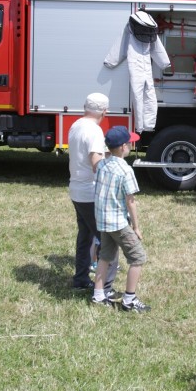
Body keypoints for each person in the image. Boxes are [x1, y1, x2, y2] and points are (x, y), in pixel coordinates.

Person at [92, 126, 150, 312]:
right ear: (124, 147)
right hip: (118, 222)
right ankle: (129, 300)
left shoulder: (102, 163)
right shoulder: (125, 170)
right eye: (130, 142)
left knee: (105, 256)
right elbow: (130, 201)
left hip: (102, 220)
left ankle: (98, 295)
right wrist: (136, 226)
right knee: (138, 257)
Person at [68, 93, 118, 294]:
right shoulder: (95, 131)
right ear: (104, 112)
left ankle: (80, 279)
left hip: (76, 189)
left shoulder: (76, 125)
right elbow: (96, 163)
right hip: (91, 192)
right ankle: (105, 287)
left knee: (85, 236)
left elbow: (86, 153)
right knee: (108, 241)